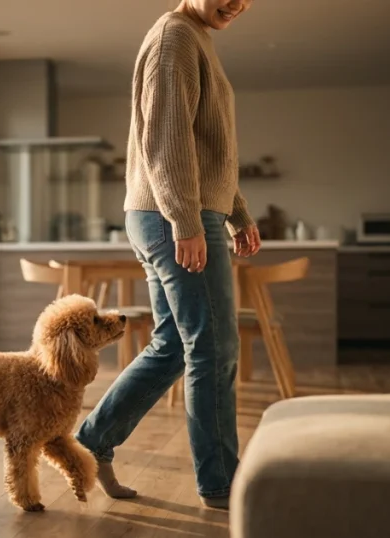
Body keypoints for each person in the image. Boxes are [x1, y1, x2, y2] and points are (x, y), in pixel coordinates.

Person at [74, 0, 260, 511]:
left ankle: (88, 443)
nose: (238, 4)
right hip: (174, 213)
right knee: (213, 348)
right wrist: (185, 219)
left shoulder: (196, 38)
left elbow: (209, 149)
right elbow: (166, 141)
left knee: (175, 346)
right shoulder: (174, 37)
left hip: (175, 211)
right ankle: (222, 484)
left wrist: (237, 211)